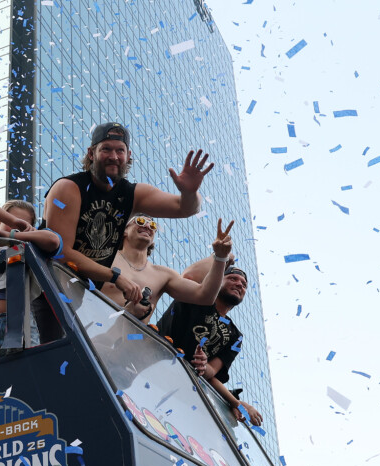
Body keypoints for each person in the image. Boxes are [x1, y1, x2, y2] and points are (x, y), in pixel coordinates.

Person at [42, 122, 214, 303]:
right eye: (106, 149)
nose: (113, 157)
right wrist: (116, 277)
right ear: (91, 153)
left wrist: (189, 193)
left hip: (77, 296)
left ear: (128, 155)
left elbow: (186, 208)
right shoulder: (69, 189)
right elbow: (61, 253)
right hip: (42, 283)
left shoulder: (132, 194)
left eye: (120, 151)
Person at [157, 262, 264, 426]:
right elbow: (189, 276)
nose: (239, 284)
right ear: (219, 279)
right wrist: (221, 258)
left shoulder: (236, 336)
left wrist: (204, 365)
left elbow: (211, 371)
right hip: (154, 361)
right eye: (233, 278)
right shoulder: (195, 297)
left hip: (182, 394)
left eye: (244, 285)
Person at [0, 195, 62, 364]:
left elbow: (53, 241)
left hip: (20, 325)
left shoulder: (29, 248)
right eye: (9, 222)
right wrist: (16, 223)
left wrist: (14, 234)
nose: (14, 228)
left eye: (24, 225)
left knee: (25, 383)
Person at [103, 216, 233, 321]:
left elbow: (205, 296)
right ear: (125, 230)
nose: (148, 226)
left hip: (124, 346)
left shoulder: (163, 275)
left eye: (153, 226)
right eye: (140, 221)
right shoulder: (104, 256)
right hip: (87, 332)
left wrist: (221, 257)